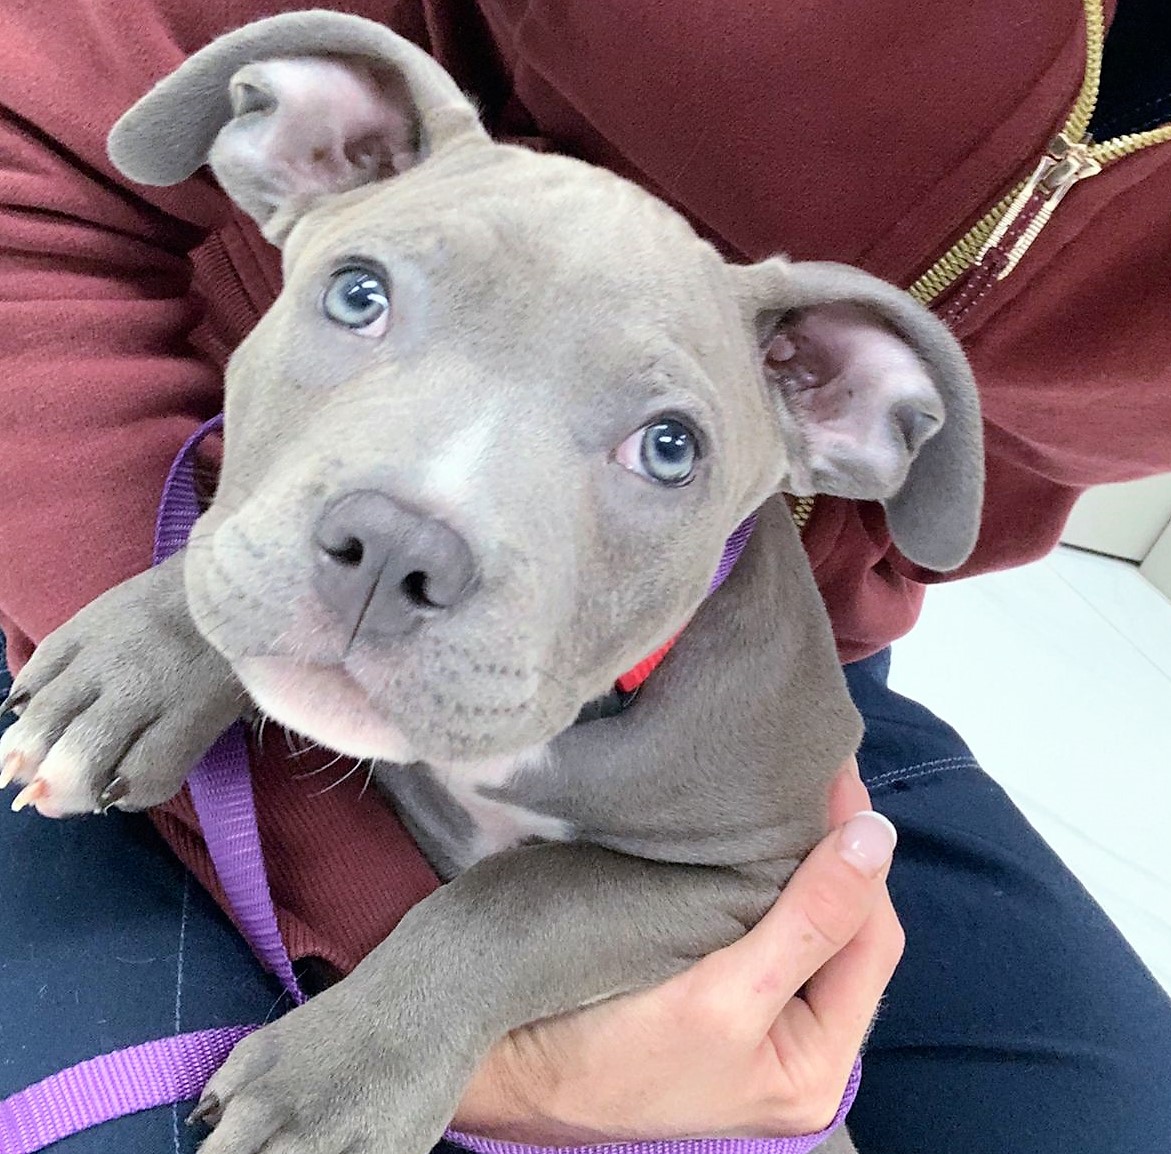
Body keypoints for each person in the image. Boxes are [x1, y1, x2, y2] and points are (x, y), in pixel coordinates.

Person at [1, 1, 1169, 1151]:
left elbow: (727, 873)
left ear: (844, 415)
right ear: (301, 139)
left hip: (706, 688)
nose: (422, 529)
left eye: (665, 444)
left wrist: (488, 984)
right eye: (363, 297)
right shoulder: (385, 170)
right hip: (89, 504)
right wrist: (454, 1016)